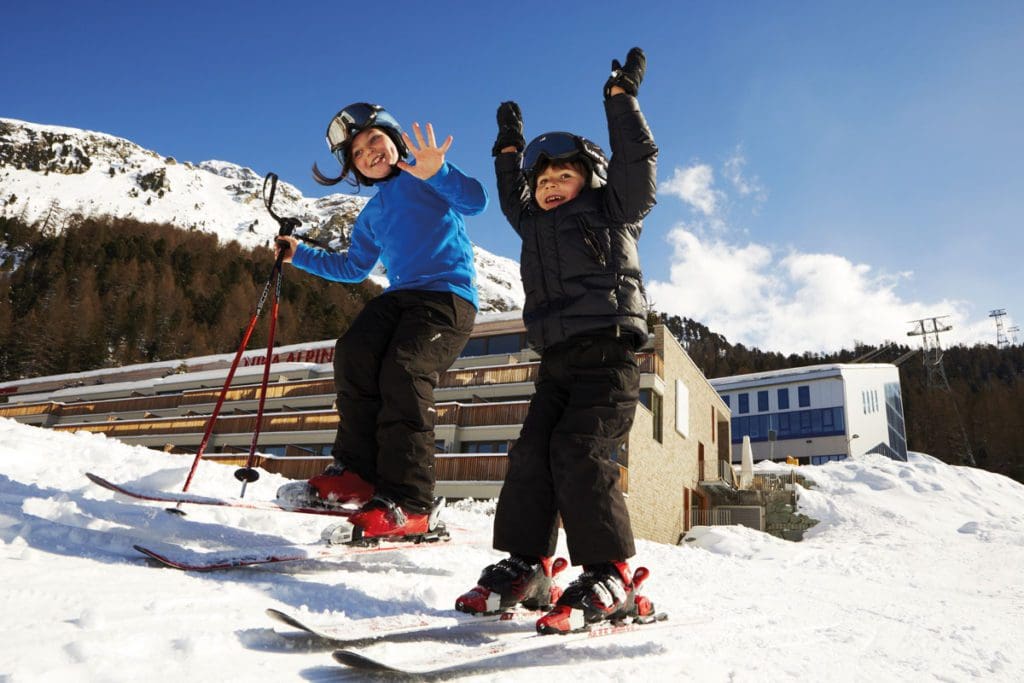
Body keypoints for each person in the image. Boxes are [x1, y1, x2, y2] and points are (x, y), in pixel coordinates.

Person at [455, 48, 658, 634]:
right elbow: (510, 193)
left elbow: (637, 159)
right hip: (558, 363)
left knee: (579, 452)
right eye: (542, 180)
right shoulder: (534, 225)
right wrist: (508, 152)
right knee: (531, 457)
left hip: (610, 358)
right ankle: (529, 565)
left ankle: (610, 573)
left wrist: (620, 102)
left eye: (562, 176)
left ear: (589, 179)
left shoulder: (613, 209)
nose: (549, 186)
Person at [275, 103, 486, 541]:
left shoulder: (426, 178)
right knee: (354, 352)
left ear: (394, 140)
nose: (369, 152)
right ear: (354, 169)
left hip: (447, 298)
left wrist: (439, 171)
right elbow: (354, 267)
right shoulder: (371, 214)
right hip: (401, 296)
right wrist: (298, 254)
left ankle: (411, 504)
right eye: (357, 153)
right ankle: (357, 473)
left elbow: (476, 200)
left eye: (375, 139)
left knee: (404, 370)